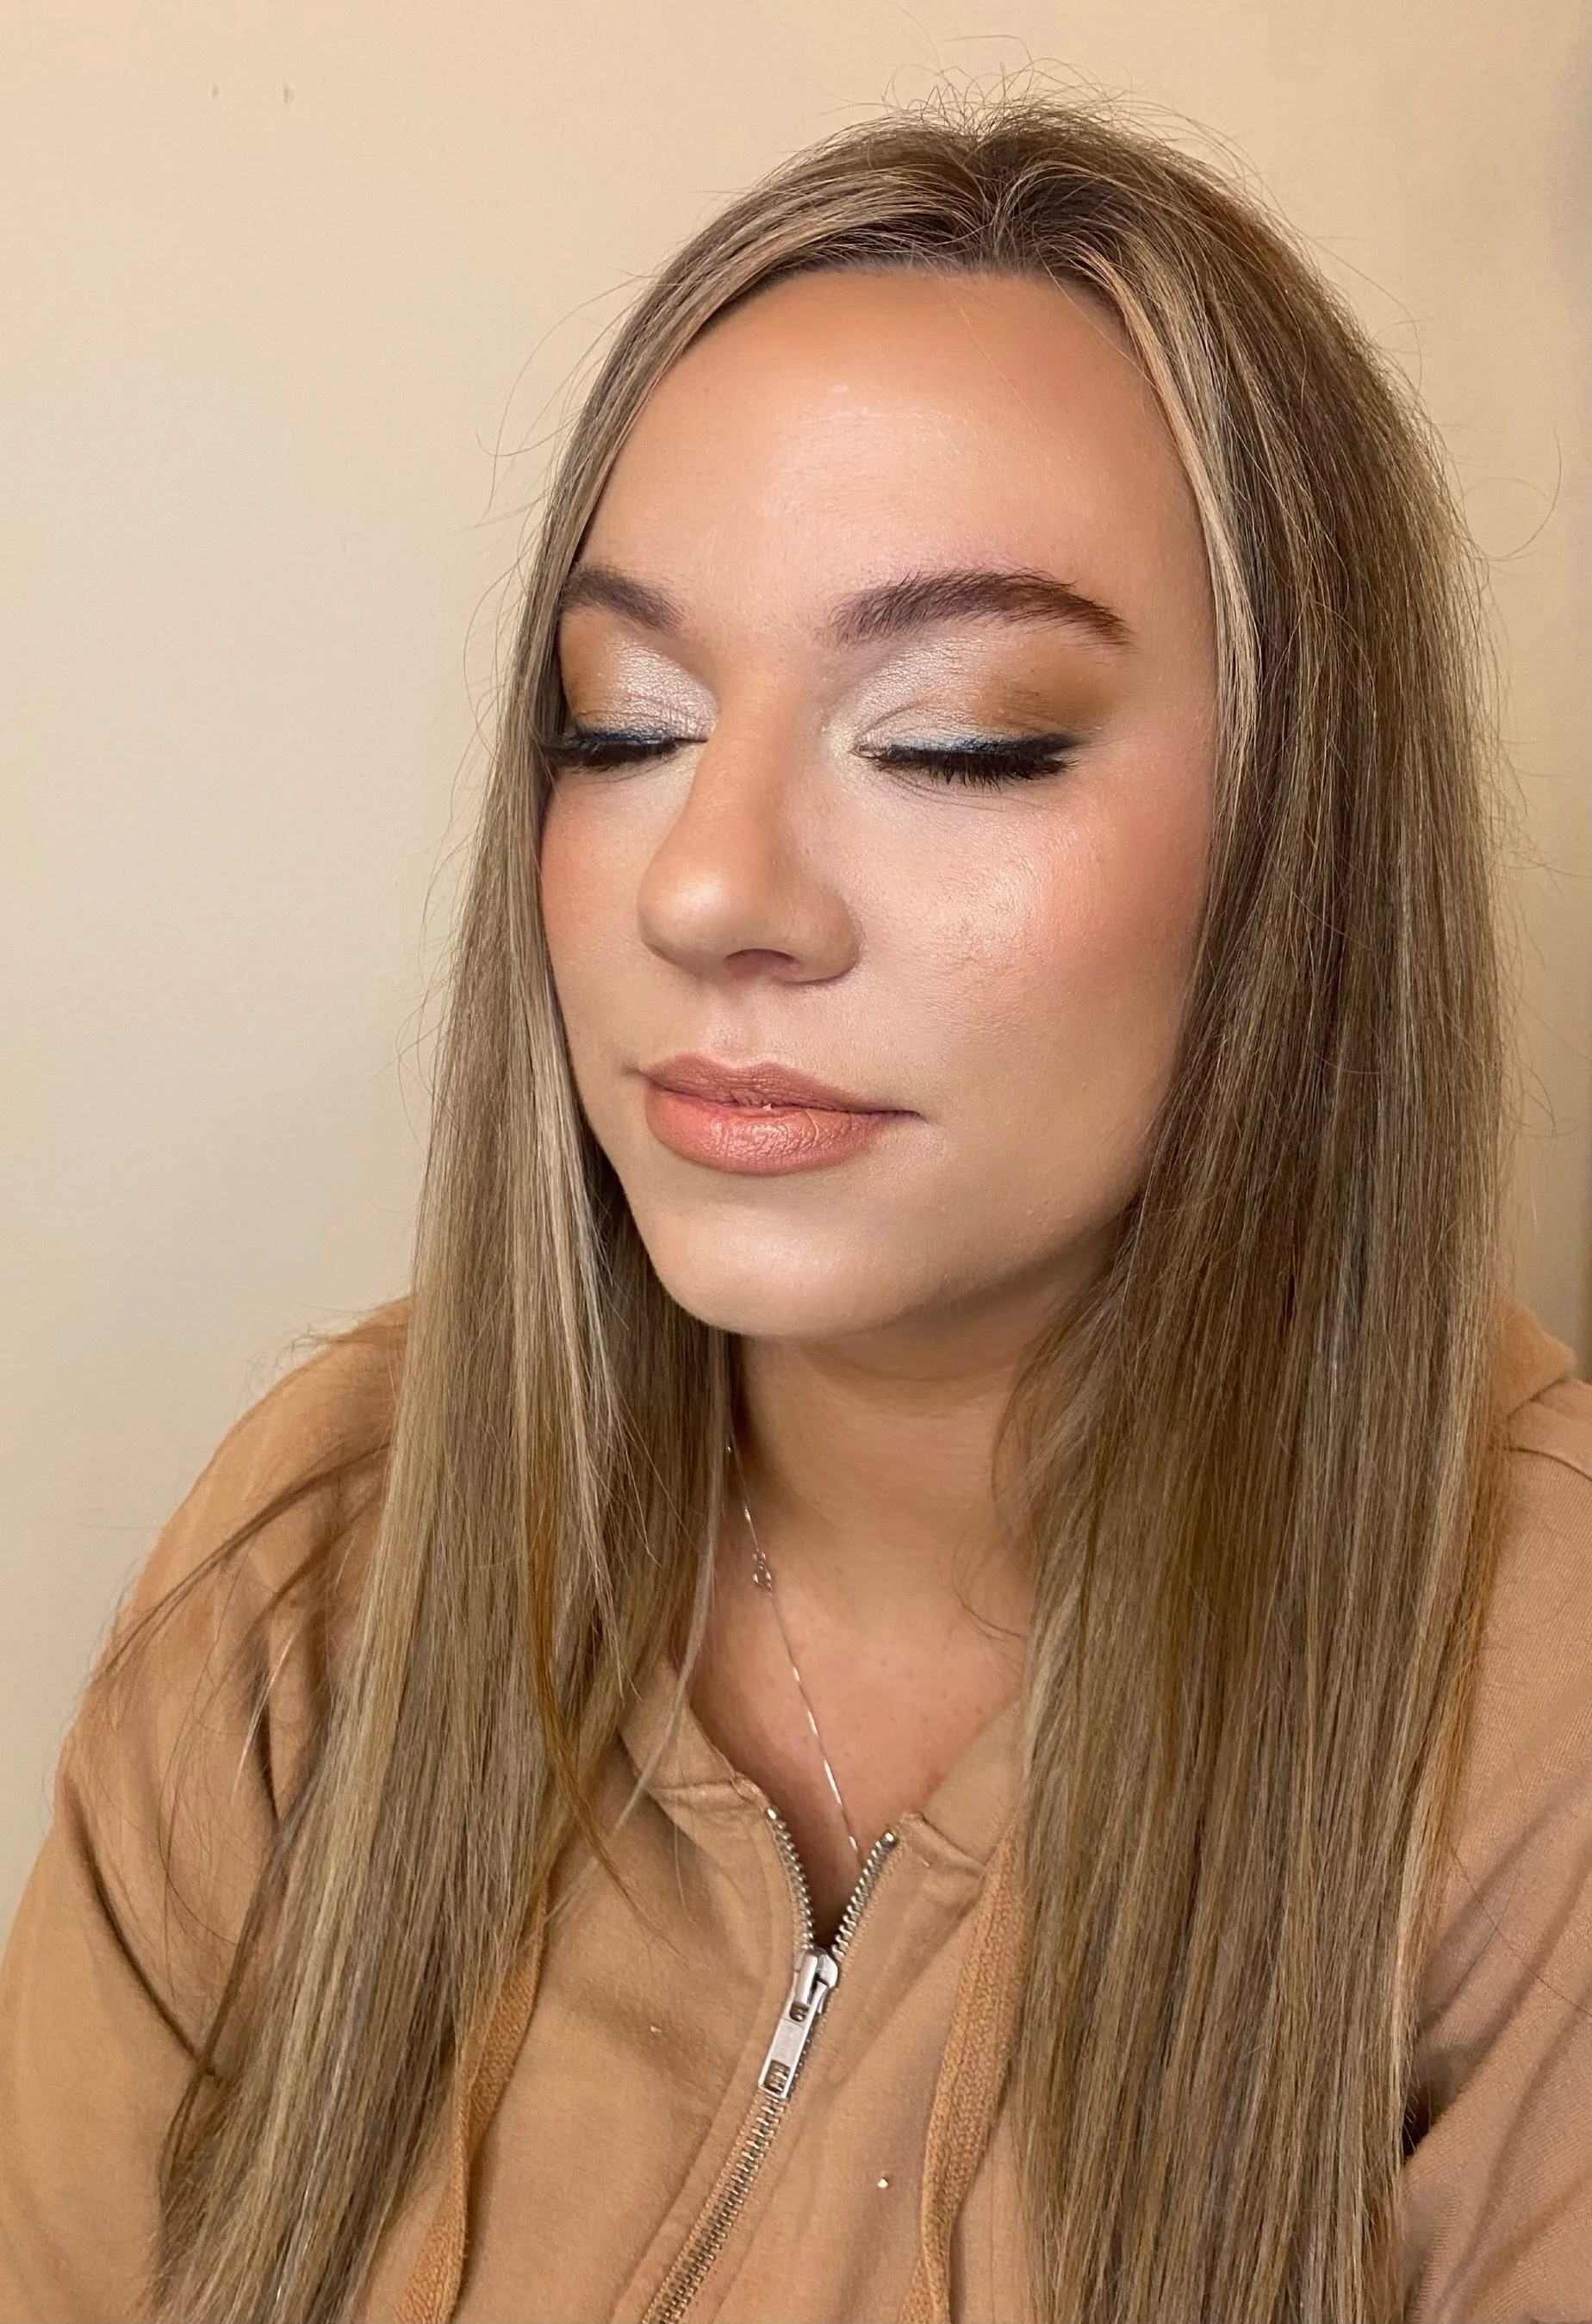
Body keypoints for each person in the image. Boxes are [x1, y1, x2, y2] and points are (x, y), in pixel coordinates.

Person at [0, 94, 1586, 2324]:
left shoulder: (1537, 1727)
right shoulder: (326, 1563)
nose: (711, 883)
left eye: (956, 739)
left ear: (1302, 848)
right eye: (622, 720)